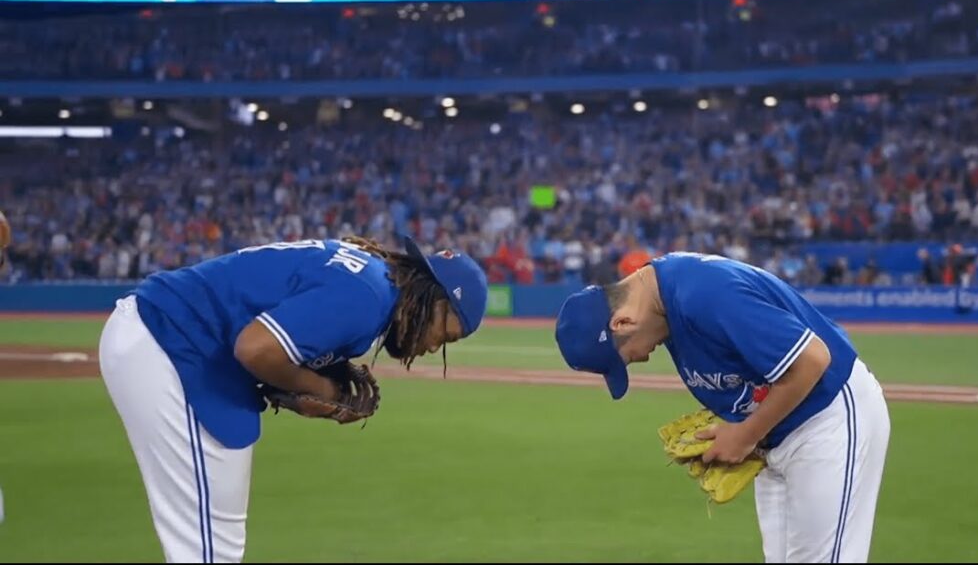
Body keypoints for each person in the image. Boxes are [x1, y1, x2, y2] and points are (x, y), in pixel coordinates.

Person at [98, 236, 488, 563]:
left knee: (216, 543)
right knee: (208, 549)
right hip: (172, 343)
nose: (435, 346)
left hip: (186, 347)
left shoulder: (373, 280)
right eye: (445, 334)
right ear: (432, 298)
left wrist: (317, 373)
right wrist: (324, 391)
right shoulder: (367, 296)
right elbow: (256, 349)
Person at [554, 252, 890, 563]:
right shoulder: (664, 308)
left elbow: (812, 360)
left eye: (626, 357)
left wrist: (746, 433)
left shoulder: (702, 293)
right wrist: (736, 426)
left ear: (623, 323)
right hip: (776, 437)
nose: (640, 358)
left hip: (827, 417)